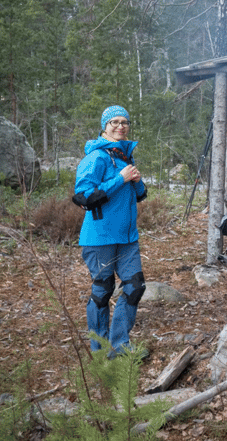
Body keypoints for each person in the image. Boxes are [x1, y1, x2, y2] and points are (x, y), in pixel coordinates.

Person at [73, 105, 148, 357]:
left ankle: (120, 346)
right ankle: (99, 349)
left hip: (127, 238)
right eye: (114, 122)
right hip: (100, 238)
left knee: (135, 287)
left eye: (124, 122)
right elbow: (84, 197)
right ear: (104, 126)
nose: (120, 126)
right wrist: (121, 179)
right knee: (103, 291)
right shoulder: (96, 158)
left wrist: (137, 181)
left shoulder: (125, 156)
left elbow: (140, 196)